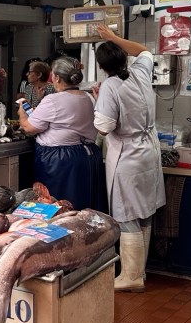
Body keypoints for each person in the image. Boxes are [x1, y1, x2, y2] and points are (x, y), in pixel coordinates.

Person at [94, 25, 165, 293]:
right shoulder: (141, 73)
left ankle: (131, 277)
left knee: (126, 215)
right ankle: (140, 271)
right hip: (149, 152)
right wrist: (113, 38)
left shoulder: (111, 86)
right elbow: (145, 50)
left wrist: (98, 100)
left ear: (102, 67)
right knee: (145, 212)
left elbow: (104, 127)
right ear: (125, 58)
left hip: (127, 157)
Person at [17, 56, 105, 214]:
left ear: (56, 77)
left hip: (60, 161)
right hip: (88, 157)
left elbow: (29, 128)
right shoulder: (89, 98)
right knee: (84, 209)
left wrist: (22, 113)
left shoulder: (52, 100)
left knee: (58, 210)